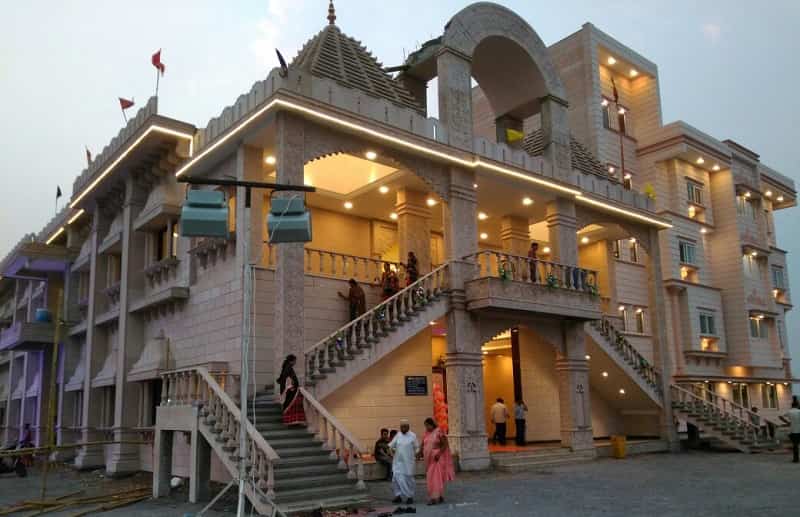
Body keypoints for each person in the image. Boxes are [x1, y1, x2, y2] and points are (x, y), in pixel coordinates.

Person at [422, 417, 455, 505]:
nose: (427, 427)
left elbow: (445, 445)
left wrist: (439, 454)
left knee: (435, 479)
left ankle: (434, 498)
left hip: (437, 459)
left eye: (428, 425)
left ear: (432, 424)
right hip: (429, 460)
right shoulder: (426, 433)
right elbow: (423, 444)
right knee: (430, 478)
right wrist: (419, 453)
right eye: (426, 426)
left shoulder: (439, 432)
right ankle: (439, 496)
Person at [389, 419, 419, 505]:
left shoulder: (413, 435)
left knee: (408, 479)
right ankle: (398, 496)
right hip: (397, 462)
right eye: (401, 427)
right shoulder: (398, 435)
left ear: (408, 427)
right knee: (395, 479)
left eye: (404, 426)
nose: (403, 428)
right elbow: (390, 446)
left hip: (408, 462)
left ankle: (410, 496)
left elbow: (417, 447)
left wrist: (417, 454)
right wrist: (391, 453)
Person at [277, 355, 306, 426]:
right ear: (291, 361)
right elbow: (286, 379)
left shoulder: (287, 367)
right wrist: (291, 387)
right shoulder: (288, 367)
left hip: (291, 390)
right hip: (291, 390)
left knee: (290, 405)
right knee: (289, 404)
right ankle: (290, 421)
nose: (295, 362)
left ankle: (293, 421)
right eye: (295, 360)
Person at [780, 398, 800, 463]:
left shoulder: (789, 412)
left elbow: (780, 416)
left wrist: (787, 422)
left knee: (795, 445)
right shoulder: (799, 411)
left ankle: (795, 459)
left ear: (792, 406)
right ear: (797, 405)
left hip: (792, 431)